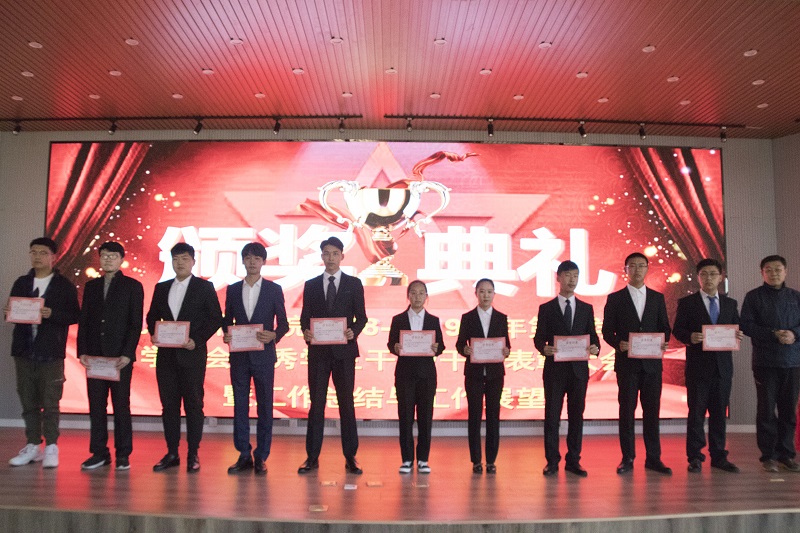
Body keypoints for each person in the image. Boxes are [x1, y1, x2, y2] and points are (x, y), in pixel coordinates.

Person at [146, 242, 222, 473]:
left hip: (192, 355)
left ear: (193, 262)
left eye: (185, 259)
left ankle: (193, 453)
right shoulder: (162, 288)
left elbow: (215, 318)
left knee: (194, 405)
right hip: (166, 357)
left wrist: (196, 340)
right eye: (176, 259)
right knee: (169, 406)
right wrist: (154, 333)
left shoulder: (204, 287)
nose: (180, 263)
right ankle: (172, 453)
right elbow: (151, 317)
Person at [6, 237, 80, 468]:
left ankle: (51, 446)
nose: (37, 256)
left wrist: (52, 314)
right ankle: (32, 445)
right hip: (24, 350)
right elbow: (12, 310)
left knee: (50, 402)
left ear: (53, 257)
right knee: (27, 400)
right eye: (33, 252)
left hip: (51, 352)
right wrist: (10, 311)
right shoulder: (22, 283)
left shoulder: (64, 285)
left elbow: (75, 315)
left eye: (42, 252)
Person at [298, 236, 368, 475]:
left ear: (342, 256)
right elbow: (305, 317)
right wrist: (306, 332)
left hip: (344, 352)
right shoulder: (311, 285)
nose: (330, 258)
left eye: (335, 253)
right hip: (318, 353)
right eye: (326, 253)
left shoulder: (354, 284)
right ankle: (312, 456)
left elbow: (362, 317)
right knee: (316, 404)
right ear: (321, 256)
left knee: (346, 404)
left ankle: (351, 456)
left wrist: (353, 331)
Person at [222, 242, 289, 475]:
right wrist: (226, 333)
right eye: (248, 258)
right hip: (239, 356)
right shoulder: (232, 289)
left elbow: (284, 324)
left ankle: (261, 456)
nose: (252, 262)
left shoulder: (273, 289)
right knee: (240, 406)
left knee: (265, 406)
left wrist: (274, 335)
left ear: (263, 262)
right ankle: (243, 454)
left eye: (257, 258)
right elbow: (227, 320)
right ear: (242, 260)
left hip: (264, 356)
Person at [602, 252, 672, 475]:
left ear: (647, 269)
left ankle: (654, 458)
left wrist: (663, 341)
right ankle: (627, 458)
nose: (637, 269)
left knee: (652, 412)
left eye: (641, 265)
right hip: (627, 365)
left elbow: (665, 327)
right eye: (632, 266)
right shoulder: (615, 299)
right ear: (625, 270)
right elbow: (606, 331)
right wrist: (619, 344)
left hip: (652, 365)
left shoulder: (657, 298)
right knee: (627, 412)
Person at [77, 242, 144, 471]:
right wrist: (82, 351)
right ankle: (99, 453)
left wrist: (127, 353)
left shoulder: (132, 286)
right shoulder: (92, 286)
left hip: (119, 359)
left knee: (121, 406)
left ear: (121, 259)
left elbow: (135, 323)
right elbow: (84, 320)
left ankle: (123, 454)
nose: (107, 259)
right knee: (96, 406)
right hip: (95, 358)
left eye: (113, 256)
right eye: (104, 255)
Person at [672, 258, 743, 473]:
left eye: (713, 274)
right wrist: (690, 337)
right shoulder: (687, 303)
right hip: (698, 368)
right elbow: (678, 330)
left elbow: (736, 326)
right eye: (704, 274)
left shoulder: (730, 303)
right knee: (696, 413)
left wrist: (737, 334)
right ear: (698, 278)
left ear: (720, 277)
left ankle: (719, 456)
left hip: (722, 368)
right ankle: (695, 456)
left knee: (719, 414)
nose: (708, 278)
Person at [533, 260, 600, 477]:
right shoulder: (546, 308)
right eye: (568, 275)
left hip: (579, 371)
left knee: (576, 416)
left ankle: (574, 460)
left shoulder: (586, 308)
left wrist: (595, 347)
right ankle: (552, 461)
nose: (572, 280)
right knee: (552, 417)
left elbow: (593, 336)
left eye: (576, 276)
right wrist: (544, 348)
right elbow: (539, 338)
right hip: (555, 371)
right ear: (558, 278)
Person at [740, 255, 800, 473]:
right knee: (766, 410)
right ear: (762, 273)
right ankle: (768, 456)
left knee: (788, 411)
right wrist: (774, 334)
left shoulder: (796, 296)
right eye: (769, 270)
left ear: (785, 271)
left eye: (778, 269)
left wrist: (794, 334)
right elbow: (746, 325)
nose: (774, 273)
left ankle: (787, 455)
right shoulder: (753, 297)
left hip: (793, 362)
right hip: (765, 362)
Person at [387, 280, 445, 474]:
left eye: (421, 293)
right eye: (413, 293)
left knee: (425, 417)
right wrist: (395, 347)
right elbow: (391, 343)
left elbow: (441, 345)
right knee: (405, 417)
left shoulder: (433, 320)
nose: (417, 296)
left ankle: (423, 459)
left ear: (426, 297)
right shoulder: (398, 319)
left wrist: (437, 348)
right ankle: (406, 459)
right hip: (405, 374)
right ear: (408, 296)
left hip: (427, 375)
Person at [455, 278, 511, 474]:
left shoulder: (501, 318)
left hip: (495, 374)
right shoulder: (468, 317)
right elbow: (460, 343)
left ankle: (491, 461)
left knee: (494, 416)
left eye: (489, 292)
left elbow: (506, 344)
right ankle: (476, 460)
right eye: (482, 291)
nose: (485, 295)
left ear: (494, 294)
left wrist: (506, 351)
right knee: (474, 416)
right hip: (474, 374)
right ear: (476, 294)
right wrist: (465, 350)